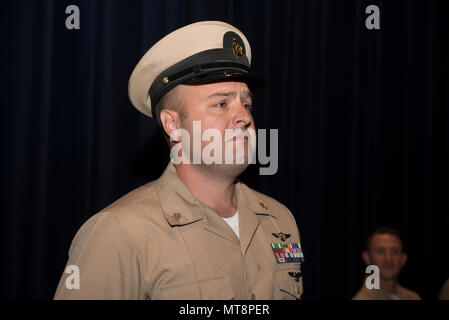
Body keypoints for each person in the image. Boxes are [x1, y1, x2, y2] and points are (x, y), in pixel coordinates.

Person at [54, 21, 304, 300]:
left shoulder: (278, 220)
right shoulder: (120, 233)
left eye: (246, 104)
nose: (244, 117)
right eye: (221, 103)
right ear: (172, 124)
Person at [353, 226, 421, 300]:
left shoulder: (413, 297)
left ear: (403, 259)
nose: (388, 259)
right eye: (380, 251)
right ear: (367, 258)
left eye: (394, 251)